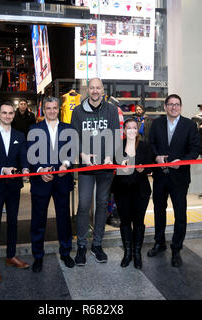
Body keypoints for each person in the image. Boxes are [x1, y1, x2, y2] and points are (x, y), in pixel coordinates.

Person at [70, 77, 120, 265]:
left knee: (101, 204)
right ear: (87, 90)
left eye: (98, 88)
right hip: (85, 167)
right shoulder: (78, 111)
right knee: (83, 205)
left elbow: (116, 134)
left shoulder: (112, 110)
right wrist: (82, 154)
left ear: (103, 90)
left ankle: (97, 245)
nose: (95, 91)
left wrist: (109, 156)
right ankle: (82, 245)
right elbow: (74, 136)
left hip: (105, 166)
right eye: (92, 88)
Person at [147, 94, 200, 267]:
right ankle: (159, 242)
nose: (174, 107)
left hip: (180, 177)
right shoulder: (157, 123)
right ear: (165, 106)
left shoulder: (190, 125)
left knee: (180, 214)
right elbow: (151, 144)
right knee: (159, 211)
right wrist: (156, 157)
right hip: (161, 176)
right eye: (170, 104)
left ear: (181, 107)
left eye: (177, 104)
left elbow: (195, 149)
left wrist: (182, 161)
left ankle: (177, 248)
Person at [0, 103, 30, 283]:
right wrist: (3, 169)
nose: (8, 115)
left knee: (13, 222)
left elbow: (23, 156)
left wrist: (25, 169)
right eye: (4, 112)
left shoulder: (19, 135)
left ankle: (11, 256)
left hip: (13, 187)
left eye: (11, 113)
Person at [27, 97, 76, 273]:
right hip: (42, 180)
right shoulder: (34, 129)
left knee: (64, 219)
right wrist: (40, 169)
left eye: (55, 108)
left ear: (59, 109)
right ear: (44, 110)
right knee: (38, 220)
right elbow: (30, 154)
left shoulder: (68, 128)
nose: (52, 111)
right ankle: (38, 257)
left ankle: (65, 252)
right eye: (49, 108)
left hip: (62, 179)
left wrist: (66, 164)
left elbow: (73, 151)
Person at [111, 118, 153, 269]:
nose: (131, 131)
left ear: (137, 130)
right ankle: (127, 253)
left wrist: (144, 169)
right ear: (124, 130)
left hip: (140, 190)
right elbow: (112, 164)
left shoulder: (144, 145)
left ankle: (137, 253)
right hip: (122, 190)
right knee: (125, 221)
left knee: (139, 222)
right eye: (128, 128)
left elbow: (151, 165)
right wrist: (118, 164)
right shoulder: (118, 146)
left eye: (134, 128)